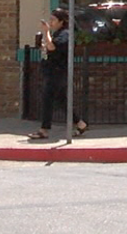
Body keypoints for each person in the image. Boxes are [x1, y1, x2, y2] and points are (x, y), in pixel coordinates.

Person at [28, 8, 88, 140]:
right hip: (53, 72)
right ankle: (80, 123)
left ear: (61, 21)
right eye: (50, 19)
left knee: (47, 99)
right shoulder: (57, 34)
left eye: (53, 20)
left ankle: (44, 130)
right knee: (62, 101)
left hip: (58, 73)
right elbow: (51, 49)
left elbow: (53, 47)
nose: (51, 22)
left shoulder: (65, 34)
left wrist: (46, 32)